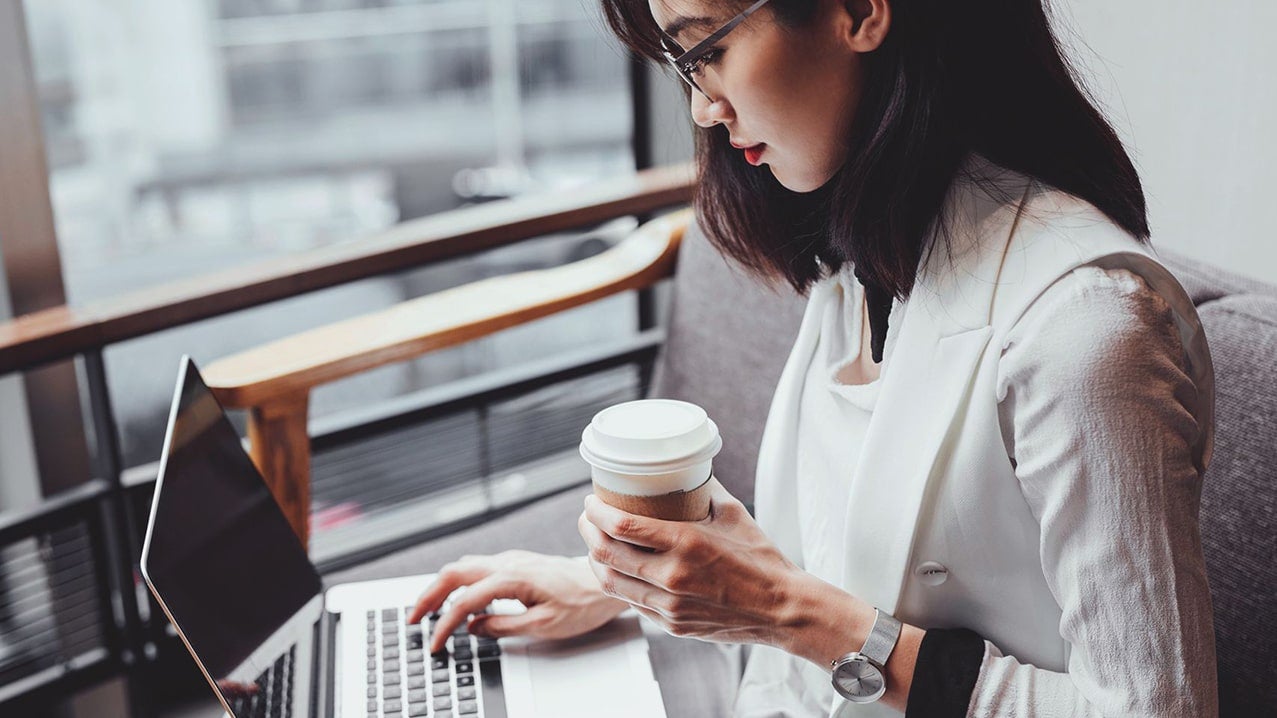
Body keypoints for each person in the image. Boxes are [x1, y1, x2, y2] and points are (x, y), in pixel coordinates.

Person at [408, 1, 1218, 715]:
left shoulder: (1084, 332)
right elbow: (856, 554)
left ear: (861, 11)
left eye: (707, 50)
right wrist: (611, 586)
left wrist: (788, 613)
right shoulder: (865, 255)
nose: (701, 108)